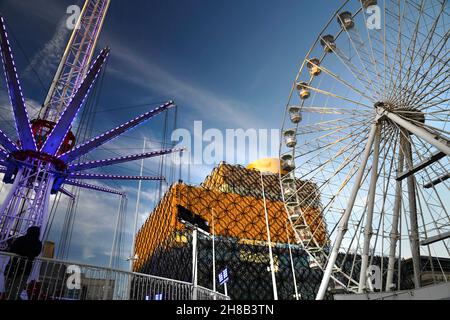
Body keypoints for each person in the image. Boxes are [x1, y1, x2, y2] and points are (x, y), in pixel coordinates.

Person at [4, 227, 42, 300]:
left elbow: (13, 249)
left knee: (9, 287)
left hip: (13, 266)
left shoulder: (20, 239)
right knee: (16, 289)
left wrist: (22, 252)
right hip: (25, 268)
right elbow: (35, 253)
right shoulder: (38, 243)